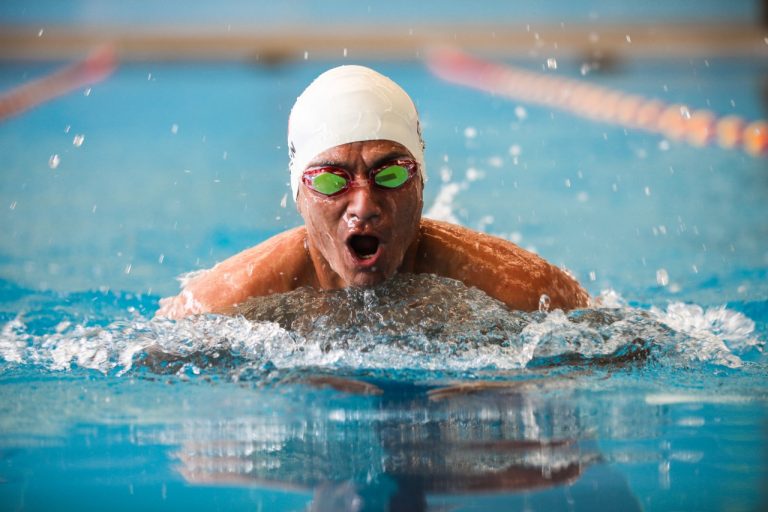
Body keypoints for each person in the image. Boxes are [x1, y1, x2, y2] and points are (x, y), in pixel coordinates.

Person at [156, 65, 588, 319]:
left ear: (420, 184)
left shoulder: (524, 291)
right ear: (299, 195)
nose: (363, 206)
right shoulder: (223, 304)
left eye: (391, 175)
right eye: (330, 180)